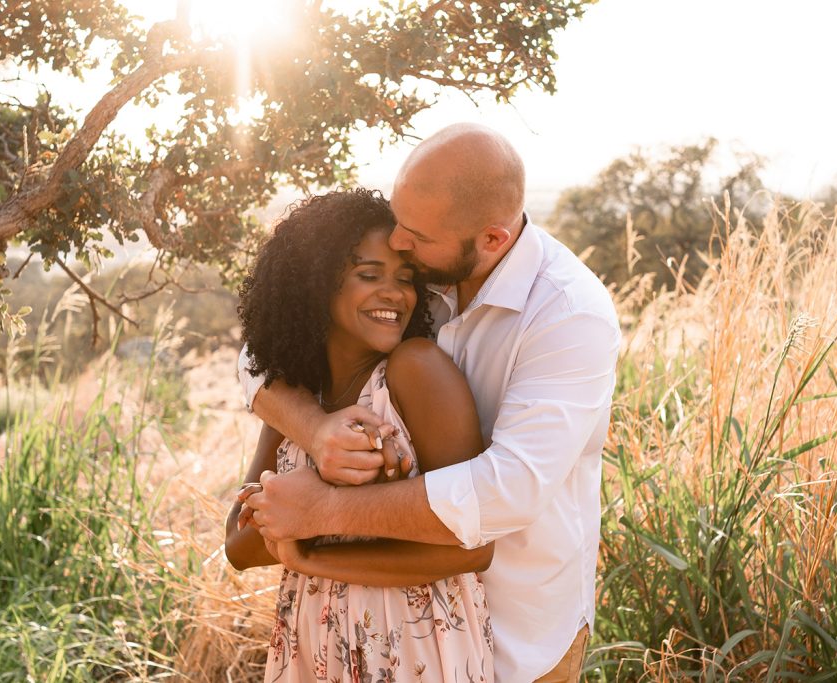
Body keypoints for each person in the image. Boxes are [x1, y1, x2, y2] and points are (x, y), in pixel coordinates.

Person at [239, 123, 621, 682]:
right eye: (398, 219)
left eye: (413, 235)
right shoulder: (421, 269)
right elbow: (260, 352)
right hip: (357, 635)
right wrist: (317, 431)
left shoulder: (568, 314)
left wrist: (321, 512)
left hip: (520, 636)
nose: (398, 241)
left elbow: (506, 491)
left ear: (491, 239)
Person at [225, 189, 494, 682]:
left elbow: (473, 548)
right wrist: (299, 508)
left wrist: (307, 545)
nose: (395, 293)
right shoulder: (298, 398)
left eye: (405, 279)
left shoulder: (416, 371)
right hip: (315, 641)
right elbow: (238, 544)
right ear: (314, 287)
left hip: (414, 647)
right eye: (368, 275)